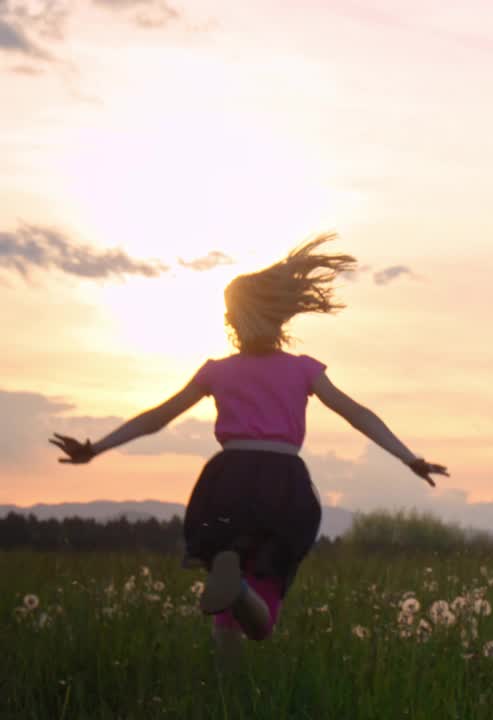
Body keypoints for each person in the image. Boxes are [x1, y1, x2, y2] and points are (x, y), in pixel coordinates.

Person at [50, 234, 448, 659]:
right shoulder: (303, 370)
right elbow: (358, 414)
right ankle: (237, 600)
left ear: (233, 321)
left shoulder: (217, 372)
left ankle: (227, 680)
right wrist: (410, 458)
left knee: (226, 606)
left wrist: (95, 448)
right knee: (262, 610)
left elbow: (155, 418)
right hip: (282, 484)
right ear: (279, 317)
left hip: (227, 482)